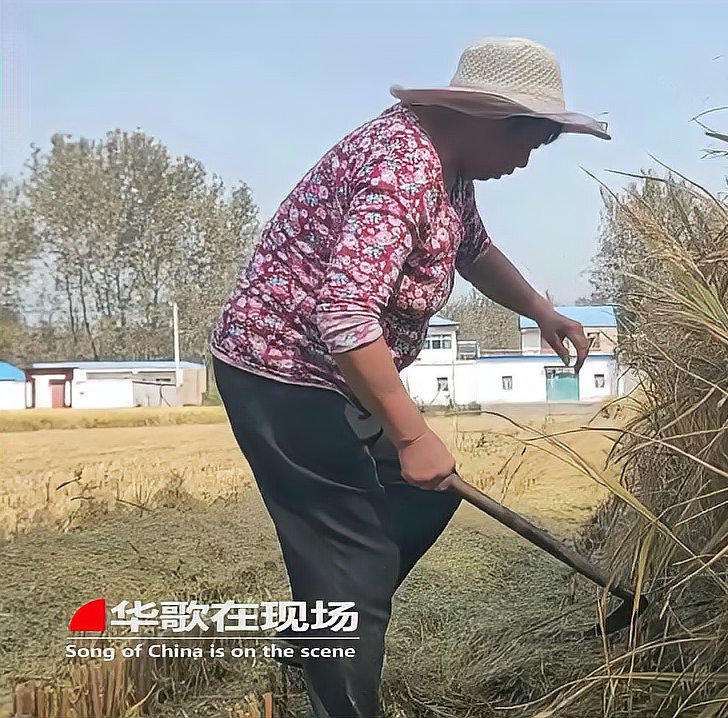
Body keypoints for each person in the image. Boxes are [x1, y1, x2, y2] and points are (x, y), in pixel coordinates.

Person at [207, 37, 609, 718]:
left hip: (338, 375)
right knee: (355, 555)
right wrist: (412, 431)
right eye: (528, 144)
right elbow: (342, 313)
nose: (522, 162)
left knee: (425, 495)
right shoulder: (401, 169)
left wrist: (542, 310)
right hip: (282, 371)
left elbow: (471, 249)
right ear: (485, 117)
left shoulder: (448, 170)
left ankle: (322, 626)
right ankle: (337, 670)